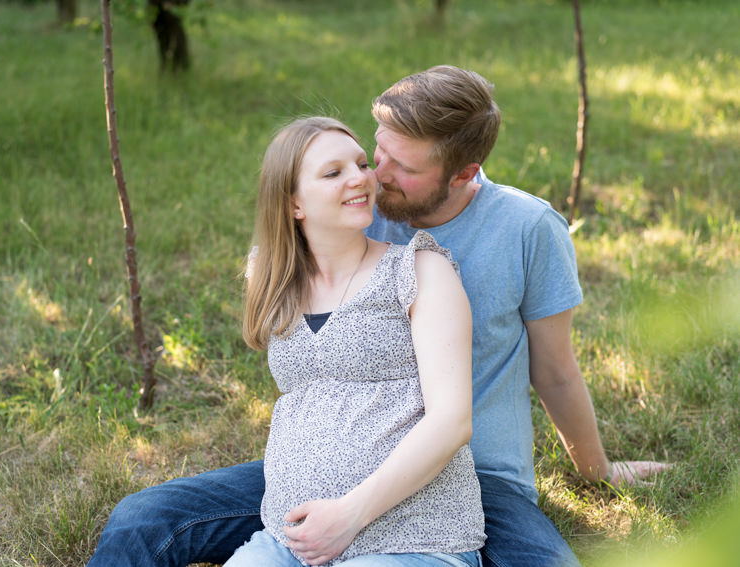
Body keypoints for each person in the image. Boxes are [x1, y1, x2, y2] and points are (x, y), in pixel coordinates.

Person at [87, 65, 668, 567]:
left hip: (473, 475)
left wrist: (597, 471)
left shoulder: (525, 229)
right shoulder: (360, 209)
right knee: (145, 521)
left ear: (463, 174)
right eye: (377, 150)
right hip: (324, 467)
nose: (375, 176)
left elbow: (557, 370)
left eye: (399, 167)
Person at [222, 116, 483, 567]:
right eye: (333, 172)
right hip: (291, 540)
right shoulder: (271, 279)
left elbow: (452, 421)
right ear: (293, 205)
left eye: (361, 164)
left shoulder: (419, 270)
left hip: (412, 538)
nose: (361, 178)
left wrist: (349, 514)